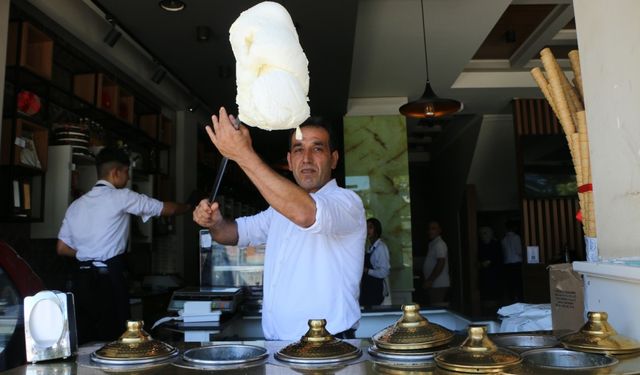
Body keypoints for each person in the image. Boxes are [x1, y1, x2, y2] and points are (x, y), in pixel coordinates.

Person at [193, 108, 366, 340]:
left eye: (317, 148)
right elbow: (231, 234)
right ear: (289, 160)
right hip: (278, 345)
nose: (306, 159)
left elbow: (306, 214)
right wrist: (214, 222)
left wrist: (243, 154)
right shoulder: (278, 211)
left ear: (333, 159)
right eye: (298, 149)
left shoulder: (347, 202)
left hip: (326, 345)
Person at [56, 147, 191, 344]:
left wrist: (87, 252)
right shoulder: (122, 197)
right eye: (127, 172)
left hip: (79, 282)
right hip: (108, 280)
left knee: (84, 341)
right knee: (115, 341)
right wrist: (190, 207)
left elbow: (61, 248)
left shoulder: (76, 205)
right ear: (115, 172)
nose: (127, 178)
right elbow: (164, 208)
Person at [359, 217, 390, 307]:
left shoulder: (381, 247)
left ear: (376, 229)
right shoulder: (369, 247)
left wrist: (367, 271)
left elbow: (384, 272)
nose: (368, 230)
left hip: (375, 290)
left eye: (370, 227)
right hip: (367, 289)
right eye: (366, 227)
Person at [422, 220, 450, 305]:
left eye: (433, 229)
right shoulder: (433, 244)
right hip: (434, 284)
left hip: (438, 284)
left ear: (439, 230)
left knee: (437, 307)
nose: (430, 231)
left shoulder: (440, 244)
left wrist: (430, 280)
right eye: (429, 229)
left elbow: (441, 263)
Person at [477, 226, 503, 309]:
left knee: (493, 292)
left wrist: (490, 262)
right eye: (481, 233)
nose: (483, 235)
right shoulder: (479, 245)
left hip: (495, 273)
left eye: (485, 233)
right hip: (483, 274)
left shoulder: (496, 244)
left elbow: (499, 257)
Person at [501, 220, 523, 303]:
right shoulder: (516, 237)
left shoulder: (503, 239)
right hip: (516, 263)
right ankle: (519, 300)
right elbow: (519, 251)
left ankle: (511, 300)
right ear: (514, 228)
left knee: (510, 284)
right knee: (518, 283)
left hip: (507, 264)